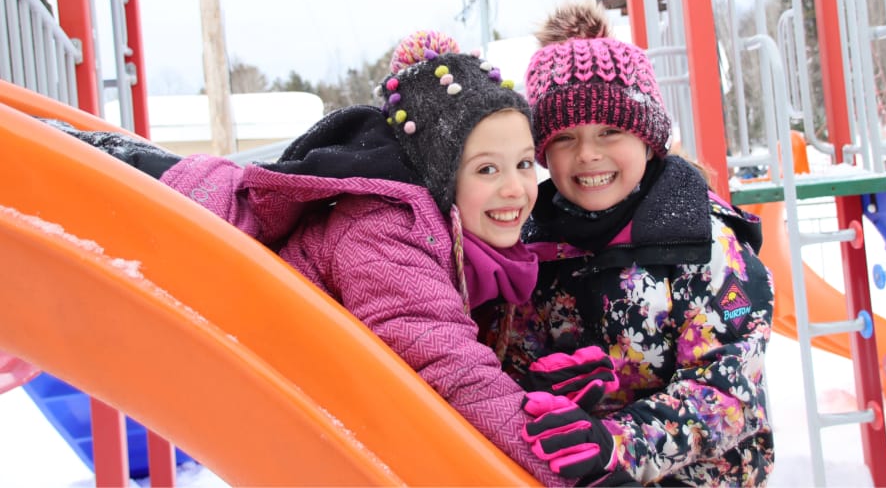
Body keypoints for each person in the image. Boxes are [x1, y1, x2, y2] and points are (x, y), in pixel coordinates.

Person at [43, 30, 617, 485]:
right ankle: (57, 148)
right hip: (240, 365)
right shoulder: (386, 231)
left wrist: (530, 388)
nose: (516, 188)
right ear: (442, 175)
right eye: (487, 169)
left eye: (524, 164)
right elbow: (445, 368)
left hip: (310, 392)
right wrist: (563, 463)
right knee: (83, 166)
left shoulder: (460, 238)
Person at [501, 1, 775, 486]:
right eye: (564, 138)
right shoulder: (535, 244)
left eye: (609, 131)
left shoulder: (703, 242)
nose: (588, 154)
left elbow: (728, 393)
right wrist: (537, 385)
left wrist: (617, 443)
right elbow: (512, 358)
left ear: (648, 140)